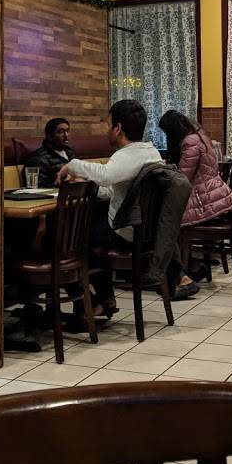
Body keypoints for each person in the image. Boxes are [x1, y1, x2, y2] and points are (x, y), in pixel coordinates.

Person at [57, 100, 162, 310]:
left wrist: (72, 165)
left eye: (107, 125)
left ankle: (87, 304)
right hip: (145, 231)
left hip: (126, 230)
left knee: (66, 239)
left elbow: (106, 175)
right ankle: (103, 299)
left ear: (118, 128)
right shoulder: (151, 152)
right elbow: (115, 188)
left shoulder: (127, 155)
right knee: (85, 235)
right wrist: (91, 187)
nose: (106, 131)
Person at [159, 110, 232, 294]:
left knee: (168, 224)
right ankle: (194, 266)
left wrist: (165, 172)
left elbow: (183, 178)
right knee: (170, 221)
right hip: (213, 197)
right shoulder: (199, 136)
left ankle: (183, 273)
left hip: (205, 201)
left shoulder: (189, 142)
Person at [22, 117, 74, 187]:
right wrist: (63, 182)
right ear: (49, 136)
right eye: (61, 132)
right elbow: (37, 188)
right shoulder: (38, 159)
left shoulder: (69, 152)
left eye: (67, 131)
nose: (66, 135)